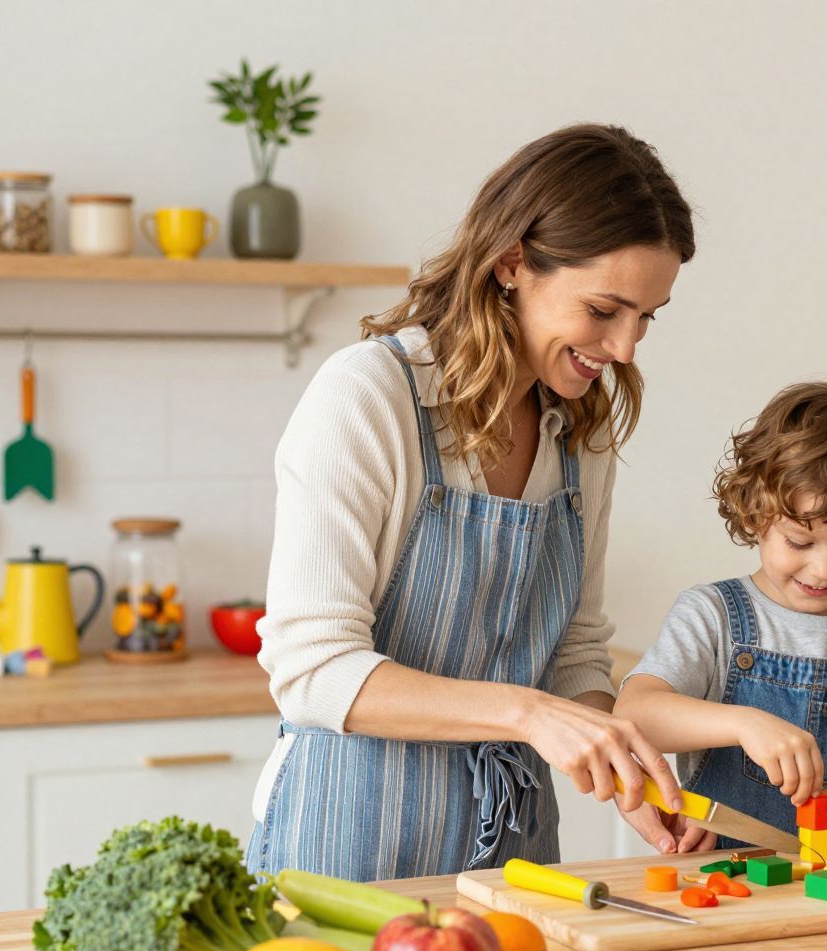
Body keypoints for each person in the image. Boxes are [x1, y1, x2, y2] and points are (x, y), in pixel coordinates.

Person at [247, 124, 695, 881]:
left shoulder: (578, 431)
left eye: (647, 317)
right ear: (513, 263)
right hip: (349, 851)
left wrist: (623, 765)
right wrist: (529, 715)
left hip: (514, 855)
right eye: (604, 310)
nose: (625, 348)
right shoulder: (369, 397)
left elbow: (574, 648)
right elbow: (310, 667)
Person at [615, 381, 827, 850]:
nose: (825, 568)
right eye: (800, 541)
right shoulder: (712, 616)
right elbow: (634, 715)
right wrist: (744, 723)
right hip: (727, 888)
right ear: (755, 513)